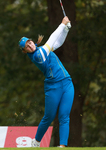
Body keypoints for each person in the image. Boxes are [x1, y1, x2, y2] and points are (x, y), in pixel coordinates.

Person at [18, 16, 74, 147]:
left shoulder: (42, 49)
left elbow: (58, 42)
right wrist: (62, 24)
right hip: (53, 87)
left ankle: (62, 146)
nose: (30, 46)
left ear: (32, 42)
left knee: (64, 116)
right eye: (27, 46)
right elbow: (51, 39)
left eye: (30, 43)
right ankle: (36, 142)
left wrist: (66, 30)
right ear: (25, 51)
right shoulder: (37, 56)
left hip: (66, 83)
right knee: (49, 117)